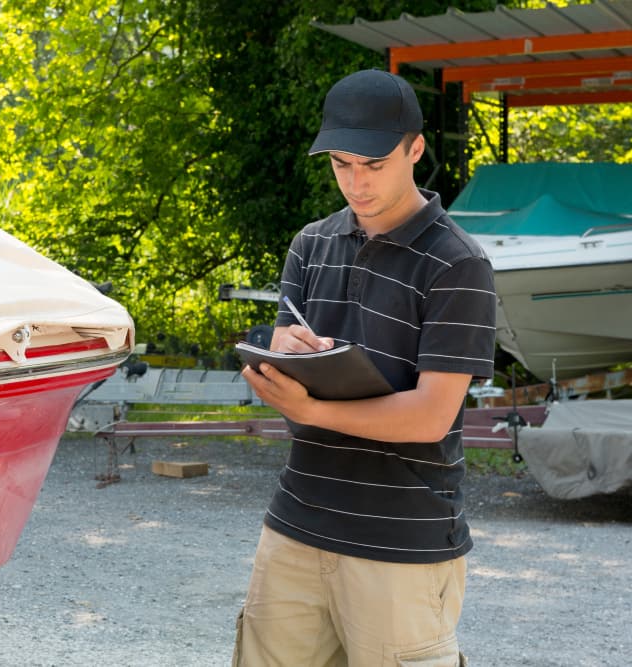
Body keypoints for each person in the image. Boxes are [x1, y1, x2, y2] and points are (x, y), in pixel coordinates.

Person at [234, 69, 496, 667]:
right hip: (295, 525)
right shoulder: (309, 244)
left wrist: (311, 408)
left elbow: (432, 417)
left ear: (415, 148)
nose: (356, 182)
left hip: (402, 543)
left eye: (373, 164)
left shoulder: (458, 265)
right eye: (342, 164)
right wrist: (288, 356)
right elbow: (282, 348)